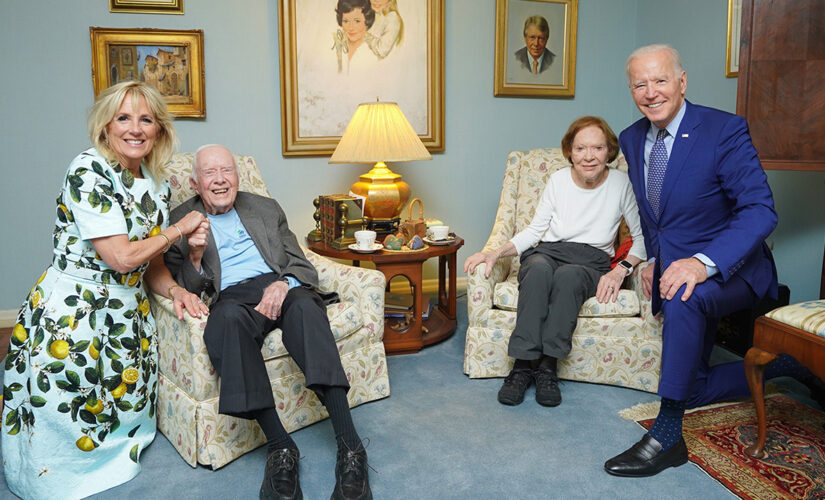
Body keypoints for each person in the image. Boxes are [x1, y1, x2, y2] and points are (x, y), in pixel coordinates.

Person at [604, 44, 825, 478]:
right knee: (694, 385)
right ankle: (784, 366)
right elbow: (656, 220)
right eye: (640, 85)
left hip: (734, 269)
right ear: (631, 90)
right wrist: (649, 261)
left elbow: (760, 209)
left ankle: (667, 436)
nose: (651, 92)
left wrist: (702, 263)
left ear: (682, 82)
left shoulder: (723, 130)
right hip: (673, 269)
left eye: (661, 80)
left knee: (686, 293)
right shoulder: (631, 138)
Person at [2, 81, 208, 499]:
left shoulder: (157, 183)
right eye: (124, 118)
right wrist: (179, 228)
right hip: (73, 312)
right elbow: (121, 257)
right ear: (106, 126)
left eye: (146, 119)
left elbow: (150, 266)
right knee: (63, 403)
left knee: (118, 405)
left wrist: (175, 292)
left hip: (126, 315)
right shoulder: (87, 169)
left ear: (159, 131)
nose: (135, 129)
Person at [164, 144, 372, 500]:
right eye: (210, 173)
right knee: (225, 321)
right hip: (231, 298)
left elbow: (301, 263)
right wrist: (196, 258)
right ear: (195, 182)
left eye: (226, 171)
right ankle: (281, 448)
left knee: (308, 309)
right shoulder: (180, 220)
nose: (219, 180)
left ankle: (351, 448)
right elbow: (188, 288)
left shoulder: (264, 207)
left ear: (237, 175)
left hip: (280, 286)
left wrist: (283, 283)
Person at [464, 116, 646, 408]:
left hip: (591, 259)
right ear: (570, 152)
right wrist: (495, 253)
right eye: (581, 148)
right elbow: (535, 230)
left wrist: (620, 270)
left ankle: (548, 367)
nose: (588, 156)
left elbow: (641, 237)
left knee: (569, 278)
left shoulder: (621, 183)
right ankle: (523, 366)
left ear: (609, 151)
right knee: (535, 270)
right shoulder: (559, 179)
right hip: (549, 250)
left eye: (597, 148)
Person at [333, 0, 378, 75]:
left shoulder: (374, 51)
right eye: (346, 21)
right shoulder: (337, 47)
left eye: (357, 21)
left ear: (367, 20)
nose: (351, 27)